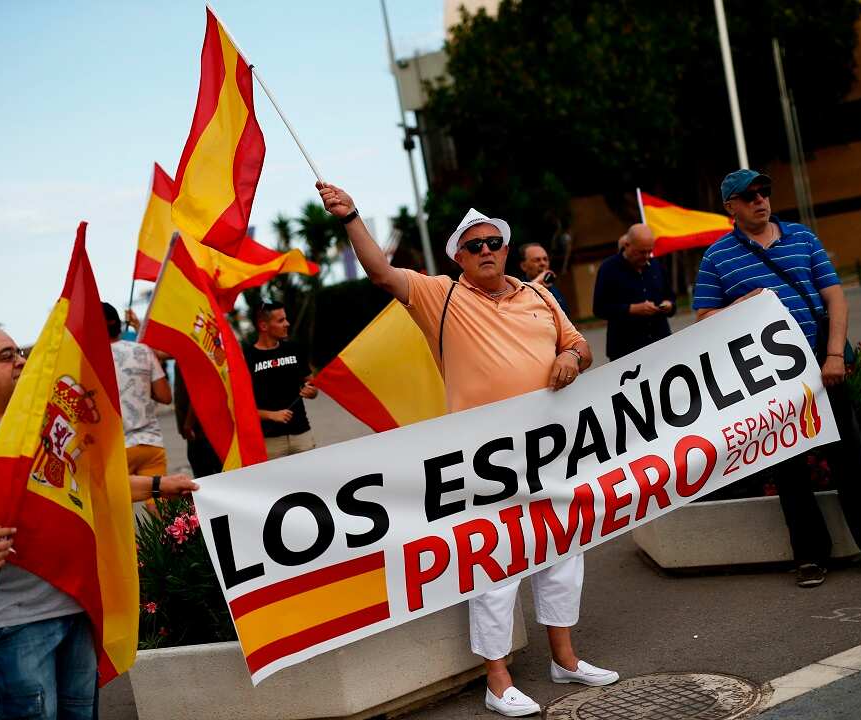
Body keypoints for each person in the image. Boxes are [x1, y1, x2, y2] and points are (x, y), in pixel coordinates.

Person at [319, 182, 617, 718]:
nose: (485, 250)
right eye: (474, 245)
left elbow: (578, 344)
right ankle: (497, 679)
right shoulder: (441, 296)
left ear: (506, 248)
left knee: (563, 552)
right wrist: (352, 216)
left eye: (493, 242)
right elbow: (382, 274)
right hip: (483, 459)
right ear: (458, 256)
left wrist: (573, 356)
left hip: (552, 448)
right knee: (496, 560)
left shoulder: (540, 295)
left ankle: (564, 658)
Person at [0, 322, 198, 718]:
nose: (21, 362)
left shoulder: (45, 427)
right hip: (14, 621)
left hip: (75, 601)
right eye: (7, 356)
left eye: (19, 353)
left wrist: (159, 484)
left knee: (81, 713)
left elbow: (94, 486)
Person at [692, 169, 861, 588]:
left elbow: (835, 297)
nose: (760, 200)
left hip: (821, 365)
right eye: (749, 195)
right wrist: (739, 303)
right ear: (731, 207)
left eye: (764, 192)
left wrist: (833, 355)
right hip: (768, 379)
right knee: (789, 467)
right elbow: (703, 317)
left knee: (851, 459)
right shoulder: (717, 257)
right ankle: (810, 556)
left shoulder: (802, 238)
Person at [243, 301, 319, 460]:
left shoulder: (294, 349)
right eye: (280, 320)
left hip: (302, 434)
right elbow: (241, 406)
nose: (287, 324)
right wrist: (271, 415)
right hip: (269, 441)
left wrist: (312, 391)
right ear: (263, 326)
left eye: (285, 319)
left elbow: (312, 385)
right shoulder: (246, 358)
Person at [103, 302, 171, 478]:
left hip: (116, 451)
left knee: (118, 506)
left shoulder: (89, 362)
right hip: (151, 444)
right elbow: (165, 396)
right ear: (118, 324)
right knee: (159, 504)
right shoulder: (142, 350)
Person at [592, 223, 676, 361]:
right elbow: (599, 309)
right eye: (642, 252)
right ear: (627, 245)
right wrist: (631, 309)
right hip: (625, 351)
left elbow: (671, 297)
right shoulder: (608, 269)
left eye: (650, 251)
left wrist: (668, 305)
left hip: (661, 343)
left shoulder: (655, 265)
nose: (647, 256)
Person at [518, 242, 571, 315]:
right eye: (537, 260)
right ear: (523, 266)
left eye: (545, 259)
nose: (543, 263)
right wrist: (535, 284)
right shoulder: (517, 291)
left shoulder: (553, 289)